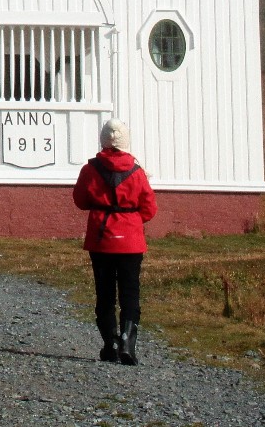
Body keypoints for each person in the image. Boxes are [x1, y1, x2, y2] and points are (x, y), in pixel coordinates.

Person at [72, 120, 158, 365]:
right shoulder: (137, 171)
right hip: (131, 240)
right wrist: (130, 220)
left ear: (103, 140)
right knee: (130, 292)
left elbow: (80, 200)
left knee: (105, 292)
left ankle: (109, 343)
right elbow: (150, 208)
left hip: (101, 239)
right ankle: (128, 343)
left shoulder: (90, 169)